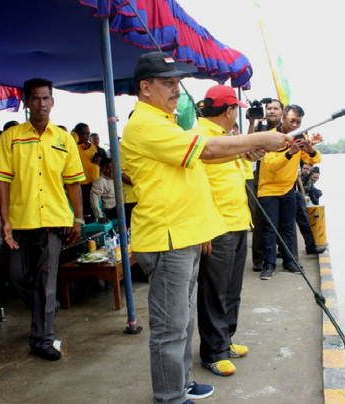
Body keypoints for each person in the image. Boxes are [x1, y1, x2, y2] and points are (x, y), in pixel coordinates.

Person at [120, 51, 289, 404]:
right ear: (145, 87)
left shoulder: (164, 122)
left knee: (181, 323)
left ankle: (180, 383)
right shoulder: (145, 124)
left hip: (185, 234)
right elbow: (207, 150)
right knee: (170, 327)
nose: (176, 90)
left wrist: (243, 152)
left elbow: (201, 157)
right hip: (167, 237)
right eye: (168, 83)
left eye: (177, 83)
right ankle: (170, 396)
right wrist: (258, 140)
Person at [0, 77, 85, 362]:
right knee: (15, 276)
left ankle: (41, 339)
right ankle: (47, 308)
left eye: (46, 98)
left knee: (45, 280)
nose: (41, 104)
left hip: (53, 221)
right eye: (35, 99)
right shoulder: (11, 137)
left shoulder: (64, 139)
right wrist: (4, 221)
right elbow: (1, 182)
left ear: (52, 101)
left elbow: (74, 183)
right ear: (26, 103)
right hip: (18, 221)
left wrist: (78, 219)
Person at [194, 86, 259, 378]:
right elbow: (196, 190)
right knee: (214, 293)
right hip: (217, 227)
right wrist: (203, 230)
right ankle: (213, 352)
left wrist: (247, 154)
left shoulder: (227, 140)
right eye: (236, 112)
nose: (237, 117)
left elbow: (241, 175)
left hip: (238, 223)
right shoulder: (202, 138)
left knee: (232, 290)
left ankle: (227, 339)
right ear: (229, 111)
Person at [257, 105, 322, 280]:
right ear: (284, 118)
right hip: (269, 189)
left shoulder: (299, 136)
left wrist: (309, 149)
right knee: (270, 229)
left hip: (288, 189)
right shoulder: (272, 137)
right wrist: (290, 152)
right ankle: (269, 264)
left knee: (288, 227)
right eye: (292, 120)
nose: (294, 125)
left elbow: (315, 159)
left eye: (298, 122)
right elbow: (271, 165)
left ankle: (289, 260)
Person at [246, 99, 284, 272]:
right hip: (261, 178)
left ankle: (286, 254)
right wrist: (252, 122)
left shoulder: (287, 129)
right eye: (269, 108)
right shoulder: (260, 128)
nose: (271, 111)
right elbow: (248, 142)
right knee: (260, 220)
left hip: (283, 178)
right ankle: (259, 259)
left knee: (286, 221)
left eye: (275, 108)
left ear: (282, 112)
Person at [75, 123, 100, 224]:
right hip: (82, 184)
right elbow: (71, 138)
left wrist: (98, 161)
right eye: (84, 134)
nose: (87, 136)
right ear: (78, 134)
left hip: (95, 181)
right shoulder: (74, 146)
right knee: (86, 208)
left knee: (96, 206)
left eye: (88, 134)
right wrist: (75, 134)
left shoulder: (92, 146)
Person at [89, 157, 116, 223]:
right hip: (110, 211)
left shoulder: (116, 180)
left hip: (118, 208)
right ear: (101, 169)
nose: (111, 170)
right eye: (107, 168)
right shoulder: (100, 182)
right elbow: (94, 199)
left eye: (112, 168)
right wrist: (100, 216)